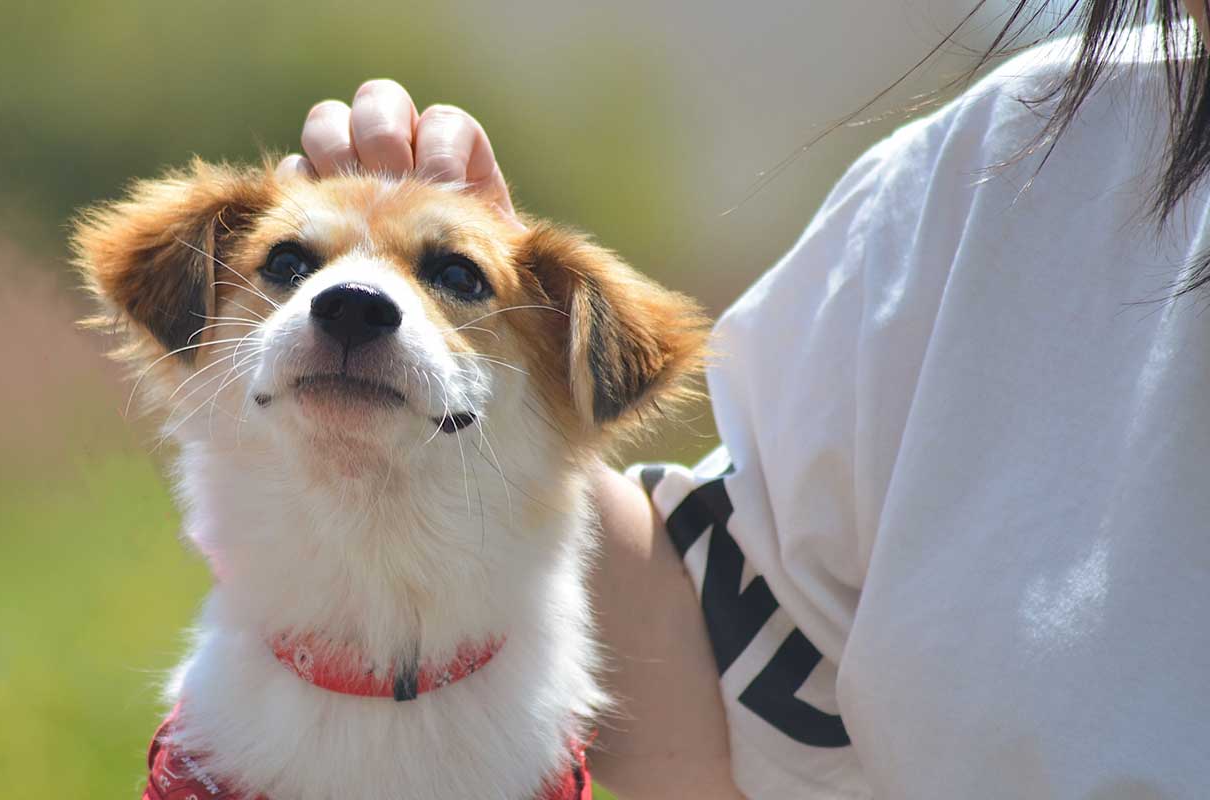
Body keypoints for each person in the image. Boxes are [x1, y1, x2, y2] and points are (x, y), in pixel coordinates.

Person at [276, 2, 1210, 797]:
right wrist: (505, 375)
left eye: (450, 275)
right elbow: (730, 677)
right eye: (289, 266)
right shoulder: (1016, 157)